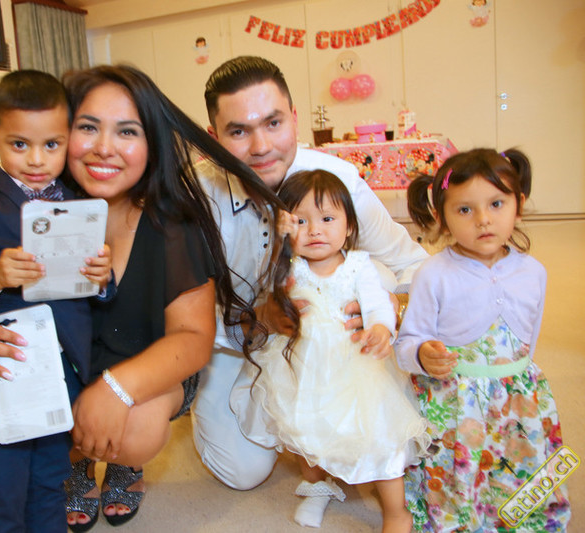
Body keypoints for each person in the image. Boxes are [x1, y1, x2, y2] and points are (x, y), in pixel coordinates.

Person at [0, 64, 281, 532]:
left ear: (151, 143)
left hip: (142, 365)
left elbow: (194, 337)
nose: (104, 147)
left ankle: (121, 464)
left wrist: (115, 391)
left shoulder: (171, 222)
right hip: (62, 364)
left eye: (127, 132)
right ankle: (73, 465)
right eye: (88, 127)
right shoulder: (31, 203)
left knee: (134, 430)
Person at [191, 55, 430, 491]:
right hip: (233, 339)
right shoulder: (195, 199)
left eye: (273, 123)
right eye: (239, 131)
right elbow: (176, 309)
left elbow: (412, 262)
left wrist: (391, 306)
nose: (261, 146)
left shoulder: (338, 179)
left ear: (295, 118)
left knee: (376, 277)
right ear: (214, 138)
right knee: (243, 472)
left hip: (334, 341)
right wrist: (257, 321)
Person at [0, 70, 112, 532]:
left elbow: (93, 292)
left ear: (67, 139)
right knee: (3, 488)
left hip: (59, 368)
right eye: (18, 144)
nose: (36, 159)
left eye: (51, 144)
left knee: (51, 480)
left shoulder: (80, 204)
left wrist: (101, 278)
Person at [230, 170, 428, 530]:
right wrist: (281, 248)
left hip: (355, 366)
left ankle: (395, 511)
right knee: (306, 430)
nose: (314, 230)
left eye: (327, 219)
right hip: (303, 369)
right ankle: (318, 486)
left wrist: (381, 327)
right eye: (300, 221)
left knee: (379, 437)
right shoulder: (288, 267)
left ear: (349, 227)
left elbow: (376, 303)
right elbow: (271, 294)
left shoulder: (358, 266)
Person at [394, 148, 570, 531]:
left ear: (519, 204)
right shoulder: (433, 274)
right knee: (458, 476)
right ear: (440, 217)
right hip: (456, 405)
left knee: (521, 465)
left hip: (519, 402)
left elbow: (529, 343)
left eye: (496, 204)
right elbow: (405, 345)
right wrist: (422, 354)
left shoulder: (534, 272)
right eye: (464, 209)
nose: (483, 219)